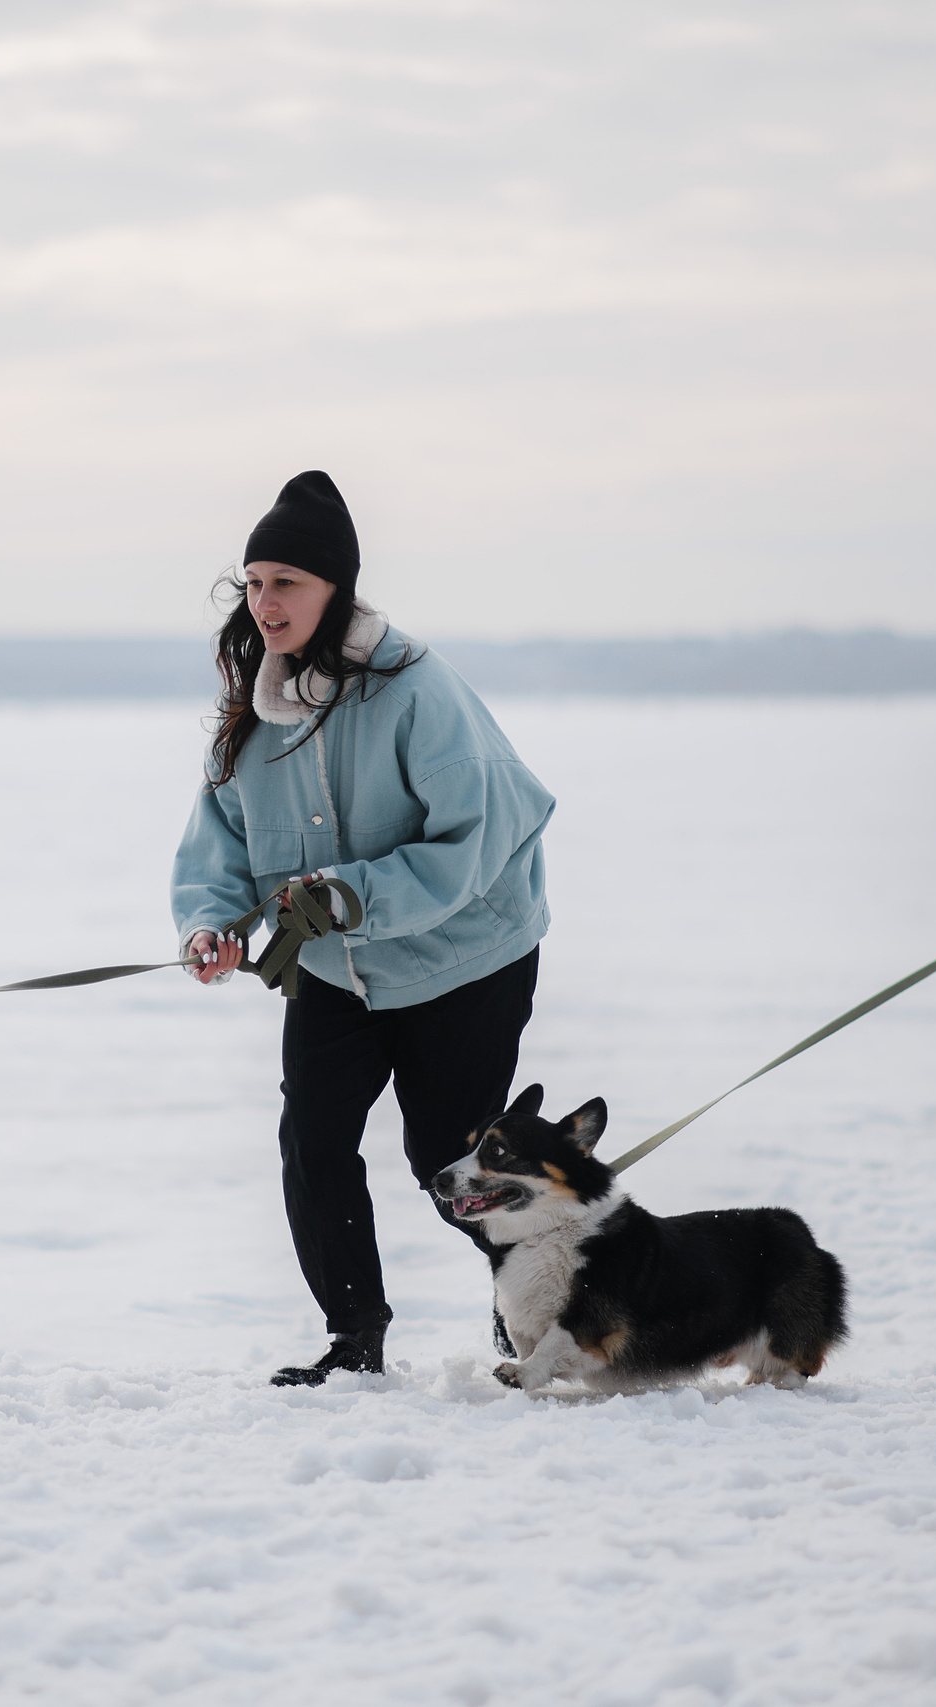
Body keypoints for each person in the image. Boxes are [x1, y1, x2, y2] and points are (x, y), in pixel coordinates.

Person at [172, 471, 556, 1386]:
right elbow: (218, 844)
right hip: (339, 972)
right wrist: (209, 927)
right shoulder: (254, 714)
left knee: (452, 1161)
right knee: (313, 1134)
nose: (265, 602)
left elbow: (475, 841)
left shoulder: (419, 690)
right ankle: (355, 1334)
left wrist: (348, 897)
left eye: (286, 583)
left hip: (465, 957)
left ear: (334, 589)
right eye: (255, 582)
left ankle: (543, 1303)